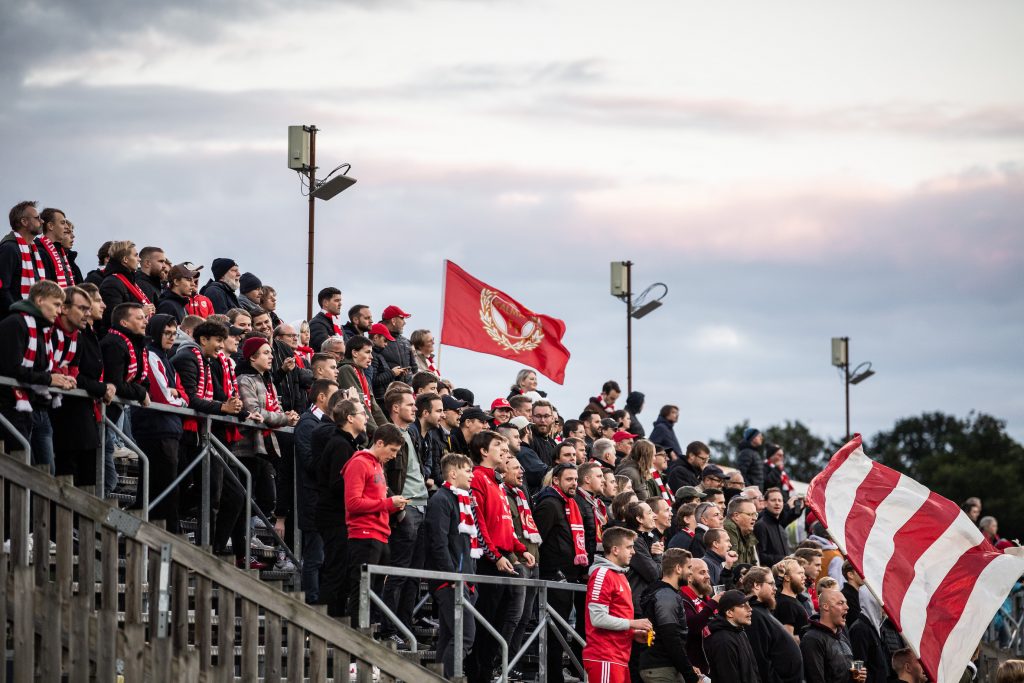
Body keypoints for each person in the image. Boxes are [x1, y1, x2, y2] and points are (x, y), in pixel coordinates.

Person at [468, 429, 534, 683]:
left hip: (505, 557)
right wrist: (494, 556)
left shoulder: (497, 482)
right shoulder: (477, 478)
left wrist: (520, 548)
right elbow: (479, 522)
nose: (505, 451)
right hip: (489, 561)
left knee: (498, 624)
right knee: (486, 623)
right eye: (499, 446)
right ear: (484, 451)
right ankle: (477, 675)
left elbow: (505, 526)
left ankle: (487, 672)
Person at [0, 279, 76, 466]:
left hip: (27, 406)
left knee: (35, 468)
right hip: (8, 406)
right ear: (40, 300)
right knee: (21, 467)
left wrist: (57, 378)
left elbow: (40, 368)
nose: (59, 311)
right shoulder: (15, 323)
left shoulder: (41, 329)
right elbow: (12, 368)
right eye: (56, 304)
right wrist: (50, 379)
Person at [379, 388, 432, 648]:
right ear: (395, 408)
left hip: (422, 506)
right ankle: (389, 629)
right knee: (398, 573)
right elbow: (382, 476)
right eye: (410, 404)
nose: (415, 408)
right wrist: (397, 508)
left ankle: (404, 627)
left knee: (414, 576)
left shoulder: (410, 434)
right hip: (406, 507)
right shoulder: (386, 435)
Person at [235, 336, 300, 537]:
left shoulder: (268, 380)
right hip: (247, 448)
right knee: (246, 498)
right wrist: (284, 418)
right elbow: (255, 412)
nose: (271, 356)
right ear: (252, 358)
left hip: (266, 447)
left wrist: (288, 415)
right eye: (265, 353)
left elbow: (275, 408)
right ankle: (242, 544)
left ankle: (249, 537)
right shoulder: (244, 379)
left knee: (267, 498)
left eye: (270, 352)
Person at [343, 424, 409, 620]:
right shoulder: (359, 463)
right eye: (392, 450)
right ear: (379, 443)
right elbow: (353, 503)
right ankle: (356, 639)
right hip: (364, 535)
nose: (394, 456)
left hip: (380, 534)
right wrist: (388, 503)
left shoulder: (377, 464)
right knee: (362, 591)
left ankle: (366, 636)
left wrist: (393, 505)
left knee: (373, 594)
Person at [51, 284, 114, 487]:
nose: (102, 306)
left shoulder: (83, 334)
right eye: (84, 307)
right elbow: (78, 373)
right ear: (65, 308)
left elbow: (76, 370)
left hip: (85, 416)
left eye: (89, 307)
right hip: (66, 415)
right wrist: (102, 388)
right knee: (69, 479)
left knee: (92, 480)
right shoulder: (59, 332)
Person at [424, 453, 478, 678]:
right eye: (467, 471)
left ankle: (439, 677)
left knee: (449, 636)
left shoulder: (461, 500)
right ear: (453, 473)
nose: (472, 476)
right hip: (451, 581)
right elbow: (438, 542)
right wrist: (452, 577)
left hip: (462, 579)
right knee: (464, 635)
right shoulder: (442, 499)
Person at [131, 314, 187, 529]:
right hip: (155, 429)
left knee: (164, 489)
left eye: (174, 334)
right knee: (160, 490)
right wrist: (179, 399)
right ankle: (163, 538)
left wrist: (178, 396)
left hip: (169, 429)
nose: (171, 338)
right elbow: (164, 396)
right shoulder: (151, 355)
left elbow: (182, 392)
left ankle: (159, 537)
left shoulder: (165, 357)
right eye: (167, 333)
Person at [535, 463, 588, 683]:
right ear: (556, 480)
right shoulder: (549, 504)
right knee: (554, 630)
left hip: (569, 575)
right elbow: (539, 539)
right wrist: (552, 568)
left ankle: (558, 673)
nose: (574, 483)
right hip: (555, 576)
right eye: (569, 479)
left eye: (576, 479)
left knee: (562, 628)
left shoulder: (571, 504)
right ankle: (552, 676)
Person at [313, 397, 366, 617]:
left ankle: (336, 618)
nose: (366, 417)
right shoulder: (340, 445)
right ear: (350, 418)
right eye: (362, 413)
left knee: (342, 570)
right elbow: (337, 484)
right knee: (336, 570)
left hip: (339, 516)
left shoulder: (349, 443)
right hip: (333, 516)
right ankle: (325, 622)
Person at [583, 526, 651, 683]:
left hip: (618, 657)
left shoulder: (619, 575)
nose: (633, 552)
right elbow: (598, 618)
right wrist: (632, 623)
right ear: (615, 549)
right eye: (629, 547)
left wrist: (632, 633)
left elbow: (614, 616)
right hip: (605, 656)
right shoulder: (602, 574)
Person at [293, 378, 338, 604]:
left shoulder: (328, 424)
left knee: (325, 557)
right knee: (314, 557)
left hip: (325, 502)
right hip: (313, 500)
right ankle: (311, 604)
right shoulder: (307, 423)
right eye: (334, 395)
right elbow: (310, 462)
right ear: (321, 397)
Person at [99, 302, 152, 493]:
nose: (145, 322)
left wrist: (142, 390)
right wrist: (141, 393)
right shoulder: (114, 343)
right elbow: (116, 383)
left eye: (144, 317)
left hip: (113, 414)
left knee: (108, 480)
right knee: (106, 480)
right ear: (124, 322)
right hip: (101, 413)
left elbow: (143, 381)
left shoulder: (136, 344)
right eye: (139, 318)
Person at [637, 548, 702, 683]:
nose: (691, 572)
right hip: (661, 668)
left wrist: (687, 666)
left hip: (663, 666)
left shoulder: (664, 593)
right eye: (689, 567)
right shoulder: (666, 595)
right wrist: (691, 676)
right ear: (678, 568)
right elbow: (671, 638)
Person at [740, 566, 803, 683]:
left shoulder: (762, 611)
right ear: (756, 585)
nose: (775, 589)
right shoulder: (753, 615)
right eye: (771, 584)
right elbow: (760, 660)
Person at [801, 589, 865, 683]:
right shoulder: (812, 639)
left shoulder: (843, 636)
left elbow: (850, 670)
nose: (847, 607)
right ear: (826, 606)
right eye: (840, 603)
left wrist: (858, 676)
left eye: (846, 603)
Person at [0, 201, 46, 317]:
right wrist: (18, 313)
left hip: (32, 318)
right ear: (24, 222)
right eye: (37, 218)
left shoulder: (34, 250)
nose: (42, 221)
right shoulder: (9, 248)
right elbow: (2, 289)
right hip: (15, 320)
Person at [703, 590, 762, 682]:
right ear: (729, 612)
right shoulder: (723, 641)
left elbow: (752, 669)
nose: (750, 609)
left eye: (749, 604)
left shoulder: (740, 631)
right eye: (743, 606)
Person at [98, 241, 156, 331]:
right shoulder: (111, 283)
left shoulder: (129, 280)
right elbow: (113, 319)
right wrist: (142, 313)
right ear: (125, 259)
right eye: (135, 255)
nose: (139, 259)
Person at [336, 336, 388, 431]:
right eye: (367, 352)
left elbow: (373, 406)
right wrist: (377, 433)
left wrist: (388, 429)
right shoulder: (346, 370)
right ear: (355, 353)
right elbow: (359, 403)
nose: (371, 357)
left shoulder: (360, 372)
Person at [625, 501, 665, 613]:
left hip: (647, 601)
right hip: (638, 605)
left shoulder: (651, 538)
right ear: (640, 519)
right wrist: (657, 555)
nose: (655, 516)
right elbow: (654, 574)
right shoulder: (634, 541)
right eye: (650, 512)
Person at [682, 558, 720, 675]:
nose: (708, 576)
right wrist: (713, 604)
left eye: (707, 572)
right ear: (689, 576)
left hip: (711, 662)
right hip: (694, 667)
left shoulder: (705, 598)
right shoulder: (682, 597)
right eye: (702, 572)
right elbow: (692, 626)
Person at [849, 585, 891, 683]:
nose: (885, 605)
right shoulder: (859, 629)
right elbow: (856, 664)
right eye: (881, 601)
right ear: (871, 602)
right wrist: (857, 677)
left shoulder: (878, 628)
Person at [755, 488, 803, 567]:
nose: (777, 503)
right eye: (773, 500)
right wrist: (785, 559)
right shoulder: (761, 526)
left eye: (780, 500)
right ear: (765, 503)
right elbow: (760, 556)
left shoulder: (780, 527)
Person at [36, 207, 76, 287]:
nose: (66, 227)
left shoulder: (61, 251)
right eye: (62, 223)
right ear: (50, 226)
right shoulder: (40, 252)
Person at [773, 558, 810, 640]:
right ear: (787, 578)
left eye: (803, 573)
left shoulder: (791, 601)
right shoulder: (787, 604)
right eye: (800, 573)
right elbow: (788, 640)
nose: (804, 577)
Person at [378, 304, 416, 384]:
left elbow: (414, 368)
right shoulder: (376, 339)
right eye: (402, 318)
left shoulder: (406, 341)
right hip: (387, 392)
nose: (404, 323)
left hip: (407, 391)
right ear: (393, 321)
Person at [725, 496, 760, 565]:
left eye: (755, 514)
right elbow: (733, 565)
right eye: (750, 514)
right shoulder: (729, 528)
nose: (755, 518)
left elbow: (754, 563)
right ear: (736, 516)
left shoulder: (747, 531)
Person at [308, 287, 344, 353]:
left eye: (340, 300)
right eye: (336, 300)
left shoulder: (337, 323)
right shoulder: (316, 324)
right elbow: (326, 349)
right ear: (325, 303)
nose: (340, 304)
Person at [530, 399, 559, 467]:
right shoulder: (528, 441)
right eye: (538, 416)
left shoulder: (553, 444)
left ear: (552, 418)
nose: (542, 420)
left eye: (546, 416)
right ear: (531, 418)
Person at [840, 561, 864, 626]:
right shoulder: (846, 596)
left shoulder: (858, 594)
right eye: (860, 571)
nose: (863, 574)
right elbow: (855, 621)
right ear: (850, 575)